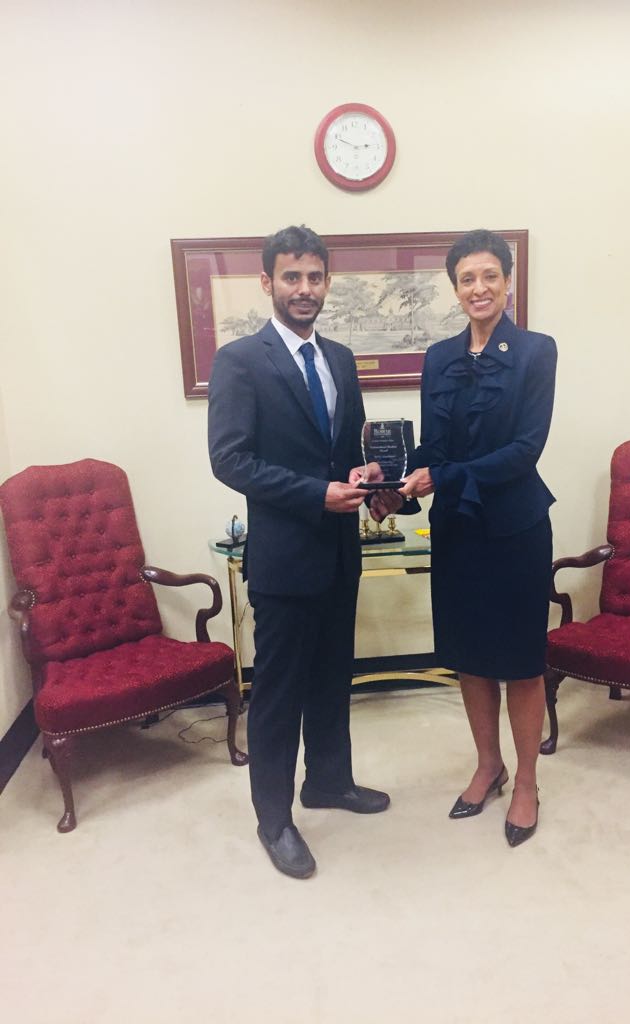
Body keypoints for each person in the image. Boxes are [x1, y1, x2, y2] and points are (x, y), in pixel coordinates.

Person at [208, 225, 391, 879]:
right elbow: (230, 459)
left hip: (341, 554)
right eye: (292, 277)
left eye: (315, 277)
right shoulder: (240, 361)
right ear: (268, 282)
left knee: (333, 678)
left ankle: (329, 782)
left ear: (327, 282)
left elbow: (348, 447)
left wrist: (371, 478)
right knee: (280, 694)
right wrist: (317, 494)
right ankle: (274, 820)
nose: (304, 288)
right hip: (285, 561)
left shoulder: (340, 358)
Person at [398, 229, 557, 848]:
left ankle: (527, 782)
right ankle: (489, 766)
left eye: (490, 275)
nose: (479, 287)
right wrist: (396, 480)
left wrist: (442, 476)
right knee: (469, 655)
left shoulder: (536, 351)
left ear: (508, 281)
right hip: (457, 529)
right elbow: (432, 447)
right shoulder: (438, 357)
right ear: (455, 288)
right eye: (467, 278)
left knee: (519, 660)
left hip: (515, 527)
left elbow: (525, 450)